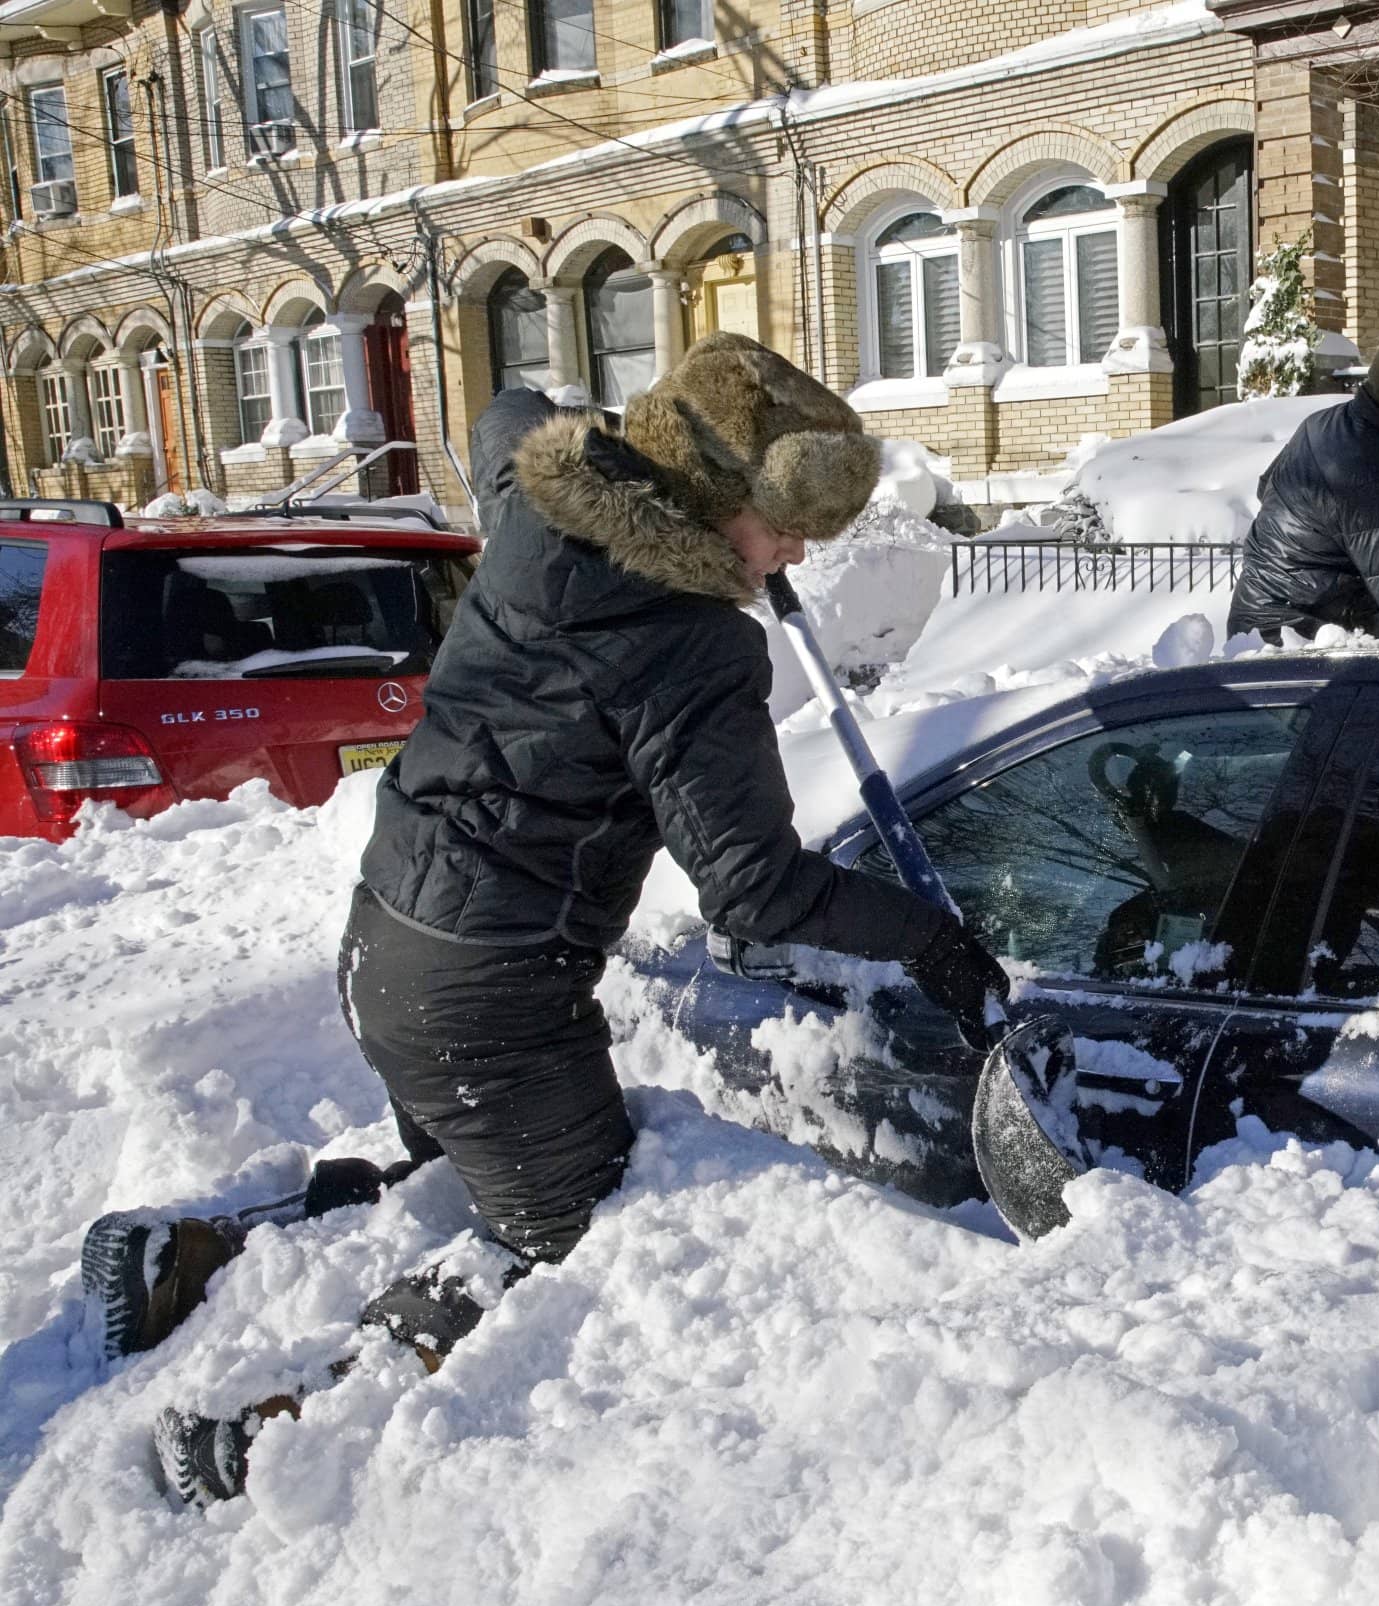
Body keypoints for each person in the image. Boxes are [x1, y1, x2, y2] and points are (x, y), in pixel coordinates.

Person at [85, 333, 1009, 1506]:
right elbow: (754, 887)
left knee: (459, 1169)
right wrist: (932, 938)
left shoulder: (533, 498)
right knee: (567, 1232)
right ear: (715, 498)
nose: (792, 558)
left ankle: (191, 1260)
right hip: (492, 994)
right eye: (785, 531)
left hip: (384, 935)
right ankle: (266, 1439)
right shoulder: (691, 646)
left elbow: (504, 410)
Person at [1226, 327, 1379, 643]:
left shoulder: (1330, 424)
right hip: (1294, 644)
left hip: (1263, 623)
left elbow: (1269, 491)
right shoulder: (1369, 472)